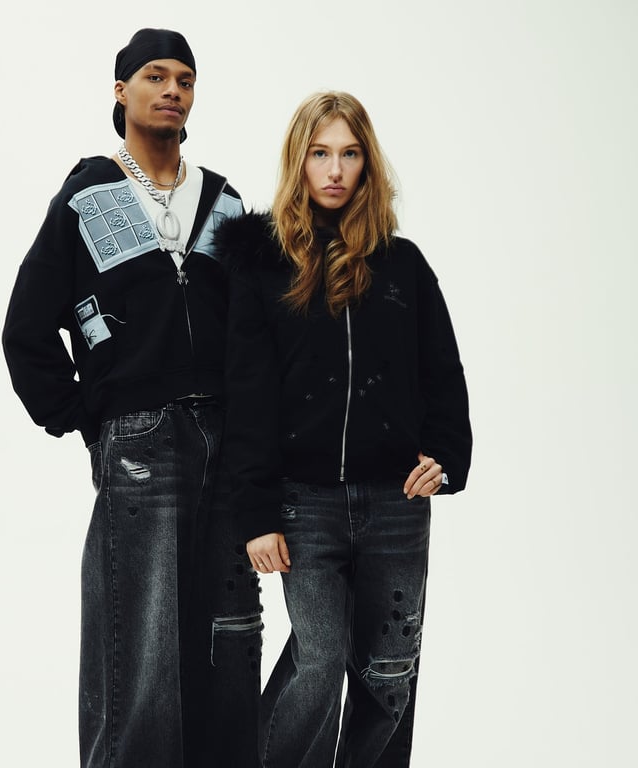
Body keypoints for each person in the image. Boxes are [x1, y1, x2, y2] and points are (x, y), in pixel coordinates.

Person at [2, 28, 262, 768]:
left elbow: (255, 331)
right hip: (141, 439)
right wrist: (85, 416)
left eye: (186, 78)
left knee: (228, 634)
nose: (173, 89)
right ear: (121, 92)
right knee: (141, 642)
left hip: (228, 438)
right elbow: (26, 327)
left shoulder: (223, 199)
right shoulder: (88, 195)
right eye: (155, 75)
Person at [214, 91, 472, 767]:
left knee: (389, 674)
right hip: (305, 506)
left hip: (397, 504)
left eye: (350, 154)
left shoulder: (403, 264)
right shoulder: (265, 267)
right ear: (298, 162)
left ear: (367, 164)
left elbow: (442, 372)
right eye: (320, 153)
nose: (334, 170)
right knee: (321, 659)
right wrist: (255, 514)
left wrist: (445, 454)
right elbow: (247, 396)